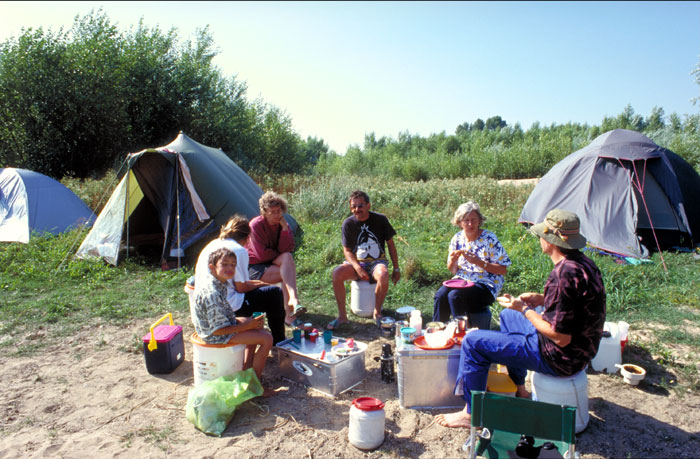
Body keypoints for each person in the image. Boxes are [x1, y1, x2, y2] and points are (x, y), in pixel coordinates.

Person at [436, 209, 606, 428]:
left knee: (473, 342)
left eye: (541, 237)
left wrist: (525, 309)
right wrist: (542, 299)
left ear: (550, 240)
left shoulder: (563, 275)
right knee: (508, 315)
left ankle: (471, 414)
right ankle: (519, 386)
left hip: (560, 357)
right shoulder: (584, 264)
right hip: (582, 348)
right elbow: (576, 303)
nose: (540, 241)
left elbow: (560, 337)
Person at [192, 247, 275, 397]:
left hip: (221, 323)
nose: (230, 268)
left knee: (255, 323)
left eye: (233, 264)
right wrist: (246, 326)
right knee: (266, 338)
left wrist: (248, 323)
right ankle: (254, 387)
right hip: (214, 334)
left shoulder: (218, 281)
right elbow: (217, 330)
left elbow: (222, 316)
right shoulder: (212, 293)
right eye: (224, 264)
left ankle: (247, 368)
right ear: (212, 267)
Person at [194, 215, 286, 345]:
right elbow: (241, 288)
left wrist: (258, 284)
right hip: (226, 306)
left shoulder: (212, 244)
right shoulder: (238, 250)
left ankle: (258, 335)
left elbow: (238, 284)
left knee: (263, 290)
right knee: (274, 293)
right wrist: (260, 284)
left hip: (202, 306)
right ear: (247, 238)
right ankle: (279, 340)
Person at [327, 190, 400, 330]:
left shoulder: (380, 219)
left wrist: (396, 269)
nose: (357, 209)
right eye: (353, 206)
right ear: (350, 208)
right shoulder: (348, 224)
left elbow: (391, 244)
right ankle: (342, 316)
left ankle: (377, 313)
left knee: (383, 274)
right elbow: (347, 251)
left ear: (368, 205)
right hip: (356, 263)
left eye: (360, 206)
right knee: (337, 273)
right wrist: (358, 267)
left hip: (377, 262)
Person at [433, 201, 511, 330]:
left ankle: (465, 335)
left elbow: (503, 270)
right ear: (459, 222)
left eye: (474, 220)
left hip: (486, 284)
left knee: (455, 296)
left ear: (479, 221)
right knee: (440, 295)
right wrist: (452, 261)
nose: (470, 224)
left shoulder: (489, 238)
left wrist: (479, 262)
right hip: (462, 281)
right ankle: (438, 331)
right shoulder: (457, 239)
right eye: (466, 220)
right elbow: (453, 271)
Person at [246, 191, 306, 327]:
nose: (276, 215)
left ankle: (292, 303)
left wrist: (285, 229)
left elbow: (289, 248)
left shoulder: (282, 223)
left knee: (287, 259)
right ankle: (291, 310)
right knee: (287, 271)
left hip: (272, 262)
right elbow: (261, 254)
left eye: (279, 211)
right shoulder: (255, 225)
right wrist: (277, 255)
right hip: (255, 267)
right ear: (264, 212)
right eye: (272, 212)